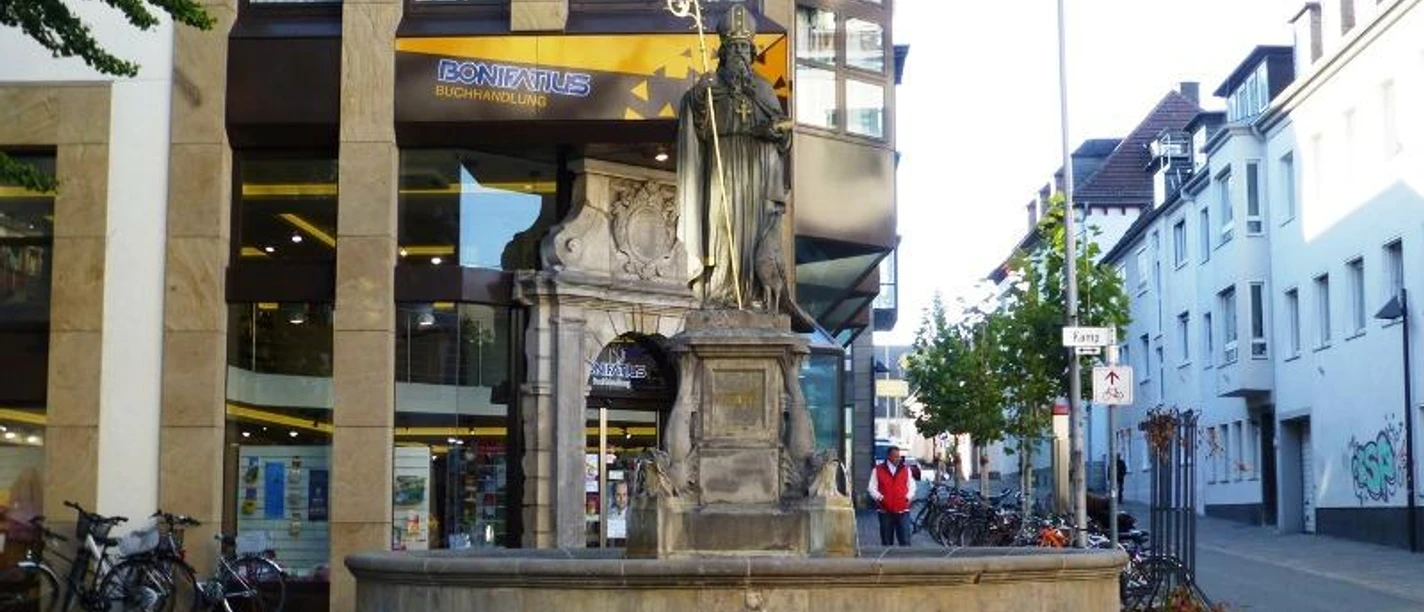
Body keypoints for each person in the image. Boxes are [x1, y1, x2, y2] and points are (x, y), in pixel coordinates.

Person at [676, 4, 792, 308]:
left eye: (744, 47)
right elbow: (695, 122)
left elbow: (783, 134)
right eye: (734, 47)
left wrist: (776, 131)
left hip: (757, 173)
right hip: (722, 165)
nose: (739, 53)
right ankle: (721, 290)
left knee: (754, 234)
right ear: (723, 52)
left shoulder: (765, 89)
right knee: (722, 230)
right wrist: (699, 94)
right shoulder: (709, 87)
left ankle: (753, 293)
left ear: (752, 52)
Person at [868, 445, 914, 546]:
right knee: (887, 541)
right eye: (895, 456)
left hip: (903, 509)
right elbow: (871, 488)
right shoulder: (878, 470)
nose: (898, 459)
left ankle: (906, 561)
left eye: (898, 456)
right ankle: (888, 561)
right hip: (885, 510)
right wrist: (880, 498)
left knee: (905, 540)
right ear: (888, 456)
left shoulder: (906, 469)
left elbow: (911, 486)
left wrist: (907, 497)